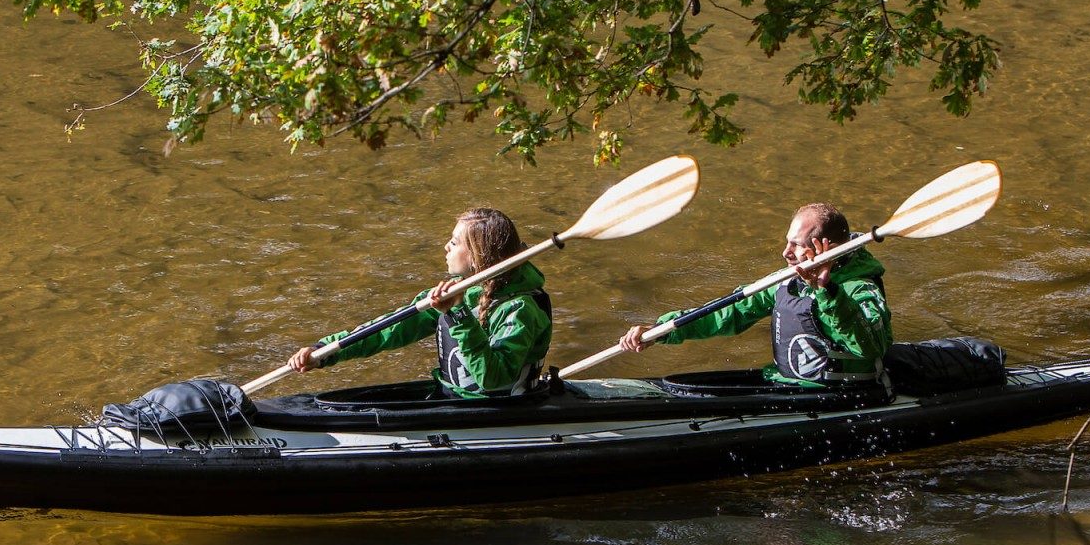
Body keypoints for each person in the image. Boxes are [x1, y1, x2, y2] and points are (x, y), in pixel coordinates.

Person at [618, 201, 892, 387]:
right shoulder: (787, 281)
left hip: (844, 394)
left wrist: (827, 291)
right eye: (787, 242)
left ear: (825, 249)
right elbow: (729, 313)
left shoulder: (860, 287)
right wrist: (661, 330)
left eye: (796, 245)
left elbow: (871, 346)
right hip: (789, 384)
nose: (785, 252)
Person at [289, 208, 553, 397]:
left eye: (454, 242)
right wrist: (325, 351)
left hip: (499, 411)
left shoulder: (520, 309)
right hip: (454, 398)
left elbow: (493, 379)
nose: (446, 247)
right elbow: (390, 329)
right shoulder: (463, 290)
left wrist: (458, 313)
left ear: (477, 256)